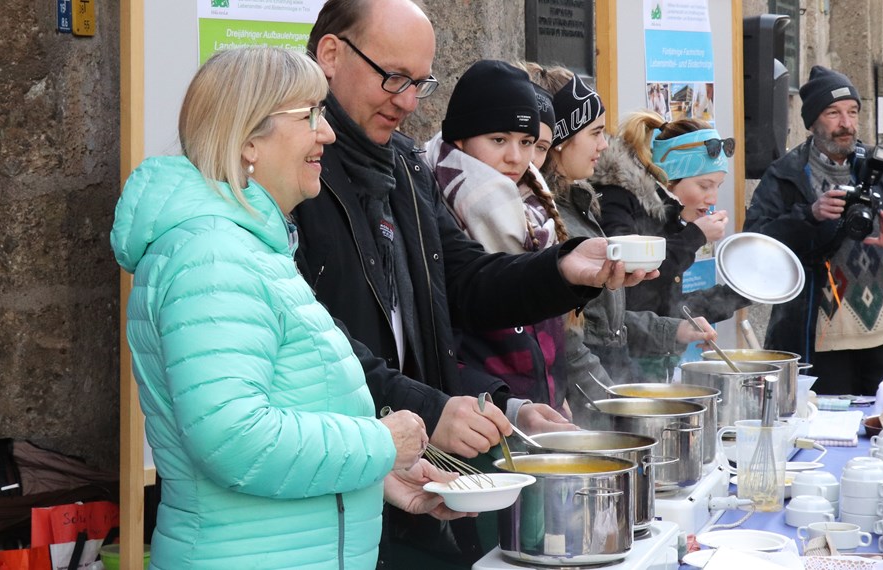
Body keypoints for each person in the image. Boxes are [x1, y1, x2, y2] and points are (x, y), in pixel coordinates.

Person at [293, 0, 656, 565]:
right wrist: (431, 408)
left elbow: (465, 281)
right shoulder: (294, 172)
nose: (409, 101)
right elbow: (312, 344)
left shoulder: (404, 165)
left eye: (420, 83)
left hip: (415, 473)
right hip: (327, 494)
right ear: (331, 55)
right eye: (394, 78)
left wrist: (563, 269)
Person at [110, 46, 466, 570]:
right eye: (311, 116)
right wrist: (378, 443)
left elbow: (289, 414)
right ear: (249, 138)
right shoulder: (213, 257)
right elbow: (233, 438)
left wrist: (375, 475)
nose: (327, 133)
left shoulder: (248, 250)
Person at [528, 65, 716, 396]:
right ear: (559, 140)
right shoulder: (548, 219)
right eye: (595, 133)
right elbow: (571, 341)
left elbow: (606, 321)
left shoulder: (580, 203)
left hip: (608, 378)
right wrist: (616, 406)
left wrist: (671, 330)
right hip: (582, 397)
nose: (604, 145)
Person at [422, 59, 579, 415]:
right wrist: (509, 407)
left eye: (527, 142)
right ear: (459, 139)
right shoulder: (431, 208)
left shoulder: (534, 211)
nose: (516, 157)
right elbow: (439, 348)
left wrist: (555, 391)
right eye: (498, 139)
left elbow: (546, 331)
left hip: (535, 419)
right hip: (473, 426)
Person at [745, 65, 883, 396]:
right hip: (817, 340)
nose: (846, 123)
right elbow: (755, 248)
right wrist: (810, 216)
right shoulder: (785, 174)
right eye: (833, 113)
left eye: (852, 111)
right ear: (812, 122)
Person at [588, 111, 746, 378]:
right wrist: (694, 236)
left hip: (654, 361)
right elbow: (631, 288)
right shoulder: (618, 202)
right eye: (704, 185)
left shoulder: (669, 212)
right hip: (614, 367)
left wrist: (742, 291)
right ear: (669, 178)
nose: (712, 198)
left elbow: (669, 306)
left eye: (718, 186)